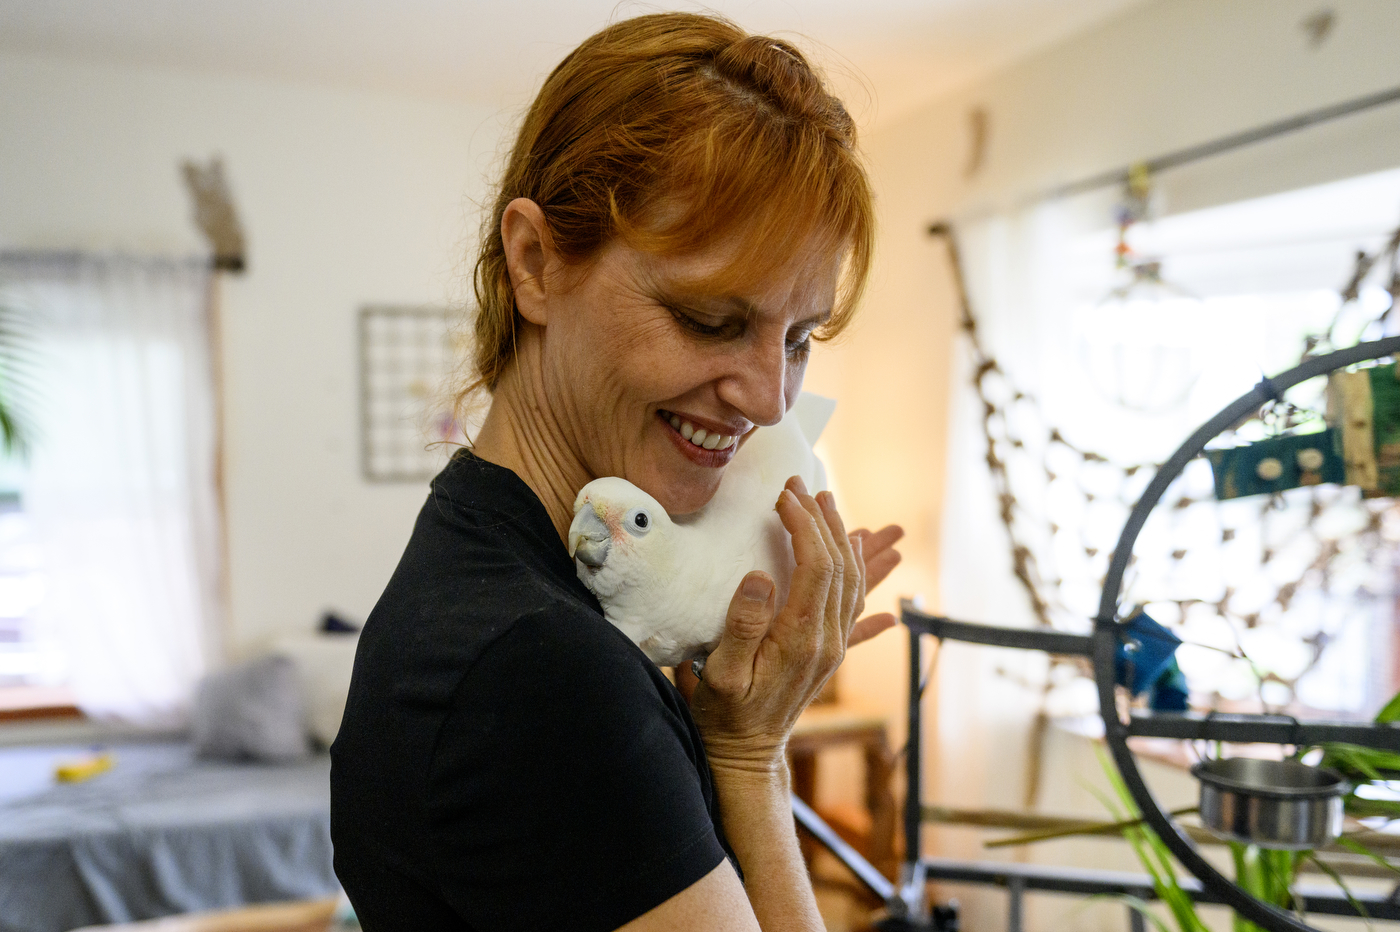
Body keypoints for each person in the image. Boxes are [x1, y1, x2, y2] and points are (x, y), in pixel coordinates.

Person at [330, 11, 904, 931]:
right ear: (535, 264)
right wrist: (753, 759)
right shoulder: (539, 672)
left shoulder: (493, 554)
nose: (768, 399)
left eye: (799, 339)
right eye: (710, 320)